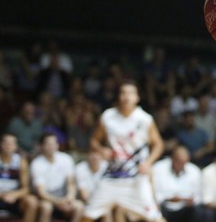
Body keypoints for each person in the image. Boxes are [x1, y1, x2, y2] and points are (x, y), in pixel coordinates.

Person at [82, 80, 164, 222]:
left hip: (136, 178)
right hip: (111, 177)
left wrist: (148, 162)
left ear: (137, 98)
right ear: (118, 96)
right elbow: (94, 141)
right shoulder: (108, 116)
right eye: (123, 93)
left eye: (130, 93)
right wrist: (102, 150)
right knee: (87, 216)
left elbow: (159, 144)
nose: (126, 97)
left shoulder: (144, 119)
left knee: (155, 218)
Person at [30, 132, 84, 222]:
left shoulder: (66, 158)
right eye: (48, 144)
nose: (52, 146)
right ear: (41, 146)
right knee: (46, 207)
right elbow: (41, 192)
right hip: (46, 198)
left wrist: (69, 198)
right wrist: (58, 202)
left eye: (54, 143)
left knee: (79, 206)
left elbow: (71, 183)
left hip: (64, 197)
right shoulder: (37, 163)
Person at [151, 146, 204, 222]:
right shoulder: (157, 168)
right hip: (164, 206)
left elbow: (198, 196)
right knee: (155, 209)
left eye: (184, 162)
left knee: (198, 210)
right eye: (179, 162)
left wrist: (191, 201)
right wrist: (170, 198)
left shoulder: (194, 171)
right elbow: (153, 193)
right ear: (172, 158)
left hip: (185, 207)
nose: (181, 165)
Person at [0, 133, 40, 222]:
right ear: (1, 144)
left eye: (12, 143)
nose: (8, 146)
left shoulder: (21, 162)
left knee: (32, 201)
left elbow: (26, 189)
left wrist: (13, 195)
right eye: (6, 143)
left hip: (14, 199)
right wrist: (3, 195)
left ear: (16, 146)